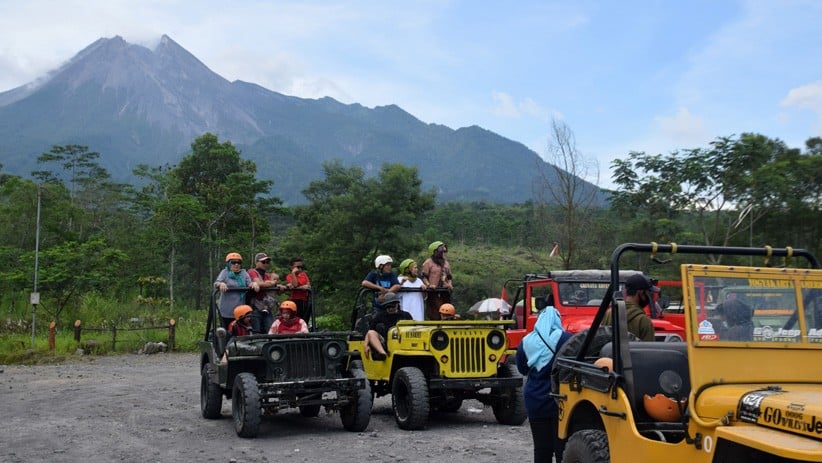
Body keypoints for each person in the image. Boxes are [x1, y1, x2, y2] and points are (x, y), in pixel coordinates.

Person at [516, 307, 573, 463]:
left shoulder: (526, 342)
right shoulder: (566, 338)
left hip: (535, 399)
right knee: (562, 448)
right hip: (559, 401)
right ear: (557, 320)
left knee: (541, 449)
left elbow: (522, 369)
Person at [602, 273, 658, 341]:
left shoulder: (609, 313)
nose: (650, 297)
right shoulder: (643, 321)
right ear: (641, 293)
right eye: (649, 293)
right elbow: (649, 350)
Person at [214, 252, 260, 328]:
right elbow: (216, 283)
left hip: (240, 310)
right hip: (226, 309)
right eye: (233, 262)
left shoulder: (243, 273)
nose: (236, 264)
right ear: (229, 263)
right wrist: (221, 284)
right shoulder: (225, 272)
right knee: (226, 330)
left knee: (240, 329)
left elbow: (249, 283)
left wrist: (254, 284)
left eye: (239, 262)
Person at [363, 292, 412, 360]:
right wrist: (366, 345)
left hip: (403, 341)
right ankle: (383, 354)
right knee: (371, 333)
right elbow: (369, 332)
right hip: (384, 342)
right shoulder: (380, 316)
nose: (390, 309)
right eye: (388, 307)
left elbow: (413, 329)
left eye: (392, 306)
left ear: (397, 304)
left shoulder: (405, 315)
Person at [247, 252, 279, 333]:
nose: (266, 264)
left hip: (267, 308)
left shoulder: (267, 275)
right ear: (256, 262)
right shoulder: (252, 271)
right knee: (256, 331)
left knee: (271, 331)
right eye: (263, 262)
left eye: (267, 262)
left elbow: (275, 286)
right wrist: (271, 283)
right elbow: (258, 283)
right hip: (255, 307)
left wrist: (279, 286)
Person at [421, 241, 453, 320]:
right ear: (435, 252)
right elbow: (424, 277)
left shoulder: (446, 263)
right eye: (441, 252)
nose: (443, 254)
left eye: (443, 252)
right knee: (435, 314)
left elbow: (449, 277)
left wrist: (449, 284)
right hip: (433, 292)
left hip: (445, 292)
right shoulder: (428, 263)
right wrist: (429, 285)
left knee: (447, 314)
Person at [284, 257, 312, 323]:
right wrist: (293, 273)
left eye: (301, 267)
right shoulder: (289, 276)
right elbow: (295, 284)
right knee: (296, 318)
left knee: (305, 318)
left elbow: (308, 285)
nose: (300, 269)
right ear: (292, 267)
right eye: (298, 267)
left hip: (304, 299)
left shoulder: (304, 275)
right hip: (295, 300)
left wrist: (303, 287)